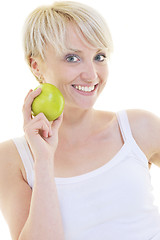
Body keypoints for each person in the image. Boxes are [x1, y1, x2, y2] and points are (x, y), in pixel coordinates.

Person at [0, 1, 160, 239]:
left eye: (99, 56)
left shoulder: (138, 128)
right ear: (36, 66)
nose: (92, 75)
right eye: (72, 58)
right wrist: (44, 159)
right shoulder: (12, 158)